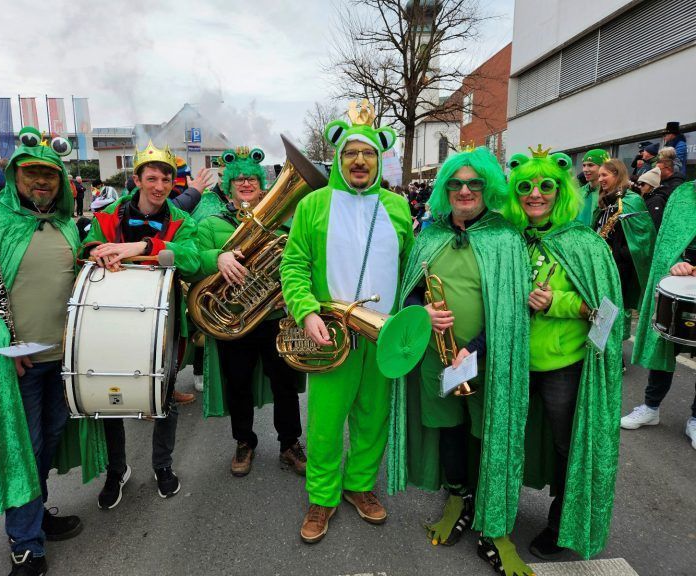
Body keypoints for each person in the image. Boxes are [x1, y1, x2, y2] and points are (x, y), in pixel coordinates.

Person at [0, 129, 106, 576]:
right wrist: (4, 343)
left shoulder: (63, 226)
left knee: (48, 443)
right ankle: (25, 544)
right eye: (32, 173)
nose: (41, 182)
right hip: (16, 363)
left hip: (63, 360)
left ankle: (35, 517)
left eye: (49, 175)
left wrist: (91, 253)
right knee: (24, 448)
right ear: (15, 175)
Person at [389, 146, 531, 576]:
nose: (465, 190)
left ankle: (493, 519)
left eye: (473, 183)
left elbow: (510, 309)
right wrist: (422, 312)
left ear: (488, 188)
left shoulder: (506, 238)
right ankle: (458, 497)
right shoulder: (429, 235)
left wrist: (479, 347)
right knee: (449, 427)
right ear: (444, 190)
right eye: (456, 184)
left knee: (489, 434)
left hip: (489, 359)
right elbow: (411, 288)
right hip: (438, 359)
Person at [281, 100, 414, 543]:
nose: (359, 161)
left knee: (373, 417)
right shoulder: (314, 205)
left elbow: (411, 265)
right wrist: (306, 310)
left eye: (369, 154)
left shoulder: (397, 208)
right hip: (330, 333)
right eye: (351, 154)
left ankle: (359, 487)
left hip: (383, 336)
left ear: (380, 159)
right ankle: (322, 496)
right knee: (324, 422)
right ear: (338, 158)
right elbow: (294, 265)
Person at [502, 147, 623, 561]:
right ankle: (496, 510)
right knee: (504, 438)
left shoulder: (583, 243)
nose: (536, 194)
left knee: (566, 447)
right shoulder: (510, 240)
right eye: (526, 187)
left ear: (561, 191)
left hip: (562, 367)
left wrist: (558, 301)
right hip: (513, 361)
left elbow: (604, 308)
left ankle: (560, 525)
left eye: (546, 186)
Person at [80, 141, 201, 509]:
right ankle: (117, 471)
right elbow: (84, 247)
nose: (160, 186)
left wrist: (144, 245)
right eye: (152, 178)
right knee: (111, 397)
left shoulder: (182, 220)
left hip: (162, 321)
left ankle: (162, 467)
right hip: (110, 320)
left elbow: (193, 258)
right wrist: (94, 252)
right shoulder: (110, 214)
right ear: (137, 179)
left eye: (167, 179)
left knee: (164, 397)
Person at [194, 146, 306, 477]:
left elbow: (298, 259)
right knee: (238, 383)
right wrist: (218, 257)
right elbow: (193, 259)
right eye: (239, 179)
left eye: (252, 179)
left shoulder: (283, 221)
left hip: (274, 316)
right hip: (234, 318)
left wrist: (290, 291)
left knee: (285, 382)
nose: (245, 184)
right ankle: (244, 441)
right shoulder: (211, 223)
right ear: (228, 186)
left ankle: (290, 443)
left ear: (262, 185)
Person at [623, 178, 696, 450]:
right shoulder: (684, 194)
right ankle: (651, 407)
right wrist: (676, 264)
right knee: (663, 344)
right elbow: (667, 243)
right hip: (679, 285)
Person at [593, 158, 655, 339]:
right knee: (601, 308)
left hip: (619, 269)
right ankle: (600, 347)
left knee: (614, 310)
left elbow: (644, 239)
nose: (600, 179)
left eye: (604, 175)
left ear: (617, 175)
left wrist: (617, 253)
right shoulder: (606, 201)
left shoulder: (631, 201)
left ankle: (614, 356)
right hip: (602, 266)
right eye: (599, 176)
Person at [575, 149, 608, 226]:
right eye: (584, 165)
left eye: (590, 165)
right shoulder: (578, 192)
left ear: (603, 167)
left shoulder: (610, 194)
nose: (585, 170)